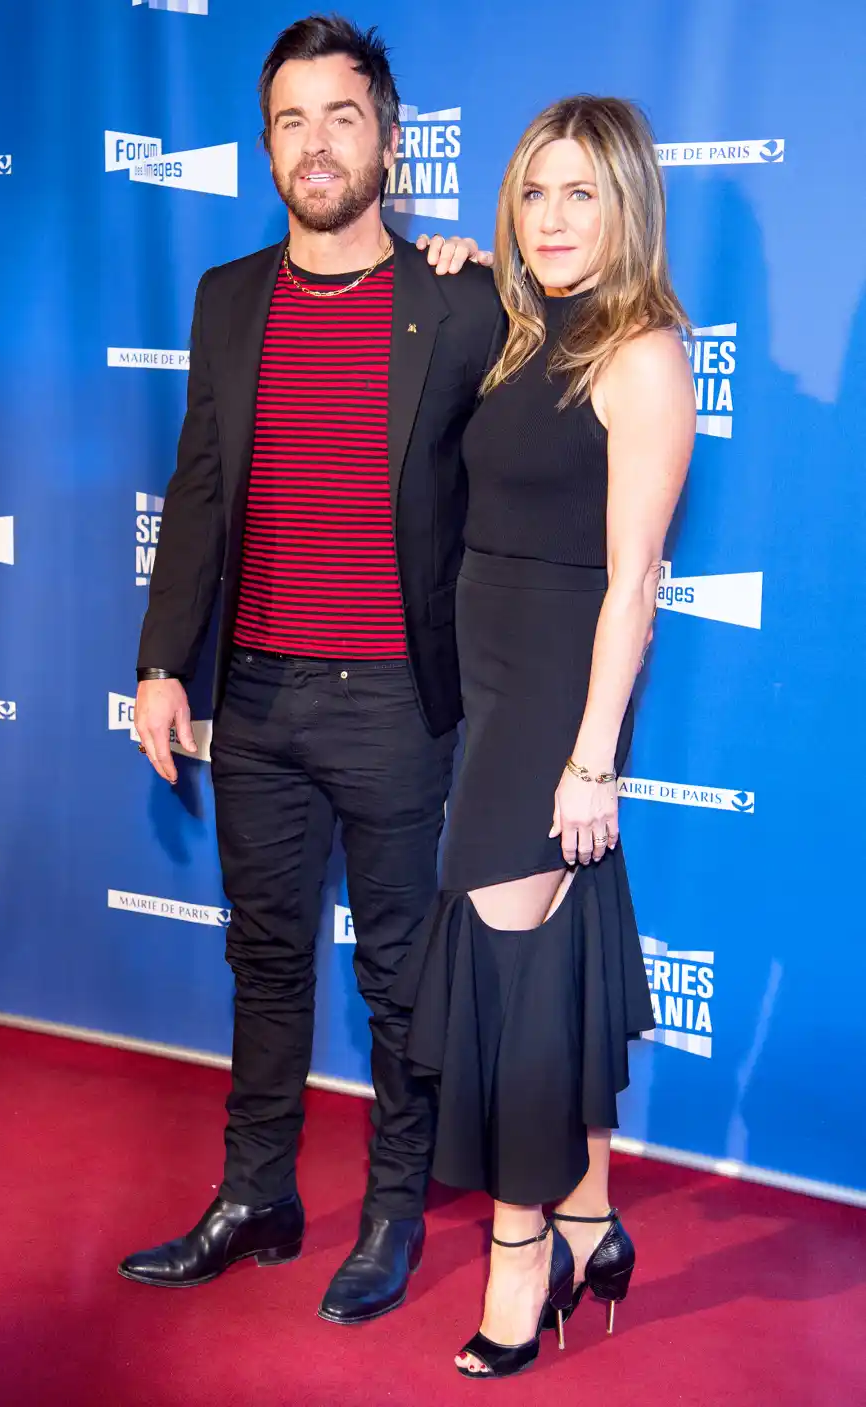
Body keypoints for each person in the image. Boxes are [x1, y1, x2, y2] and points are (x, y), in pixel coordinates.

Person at [118, 15, 501, 1327]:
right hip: (263, 695)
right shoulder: (229, 296)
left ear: (390, 138)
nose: (317, 143)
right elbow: (202, 486)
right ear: (266, 144)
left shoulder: (458, 298)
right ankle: (257, 1192)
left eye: (344, 116)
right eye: (292, 119)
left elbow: (568, 403)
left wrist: (504, 270)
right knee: (267, 956)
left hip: (398, 695)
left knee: (398, 970)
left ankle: (394, 1208)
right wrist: (165, 661)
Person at [394, 95, 696, 1377]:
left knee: (510, 990)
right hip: (493, 680)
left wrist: (591, 761)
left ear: (628, 204)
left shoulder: (644, 353)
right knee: (551, 971)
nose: (555, 217)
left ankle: (528, 1265)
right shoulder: (525, 333)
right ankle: (595, 1216)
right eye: (535, 192)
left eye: (583, 192)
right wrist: (470, 263)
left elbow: (633, 585)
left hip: (556, 709)